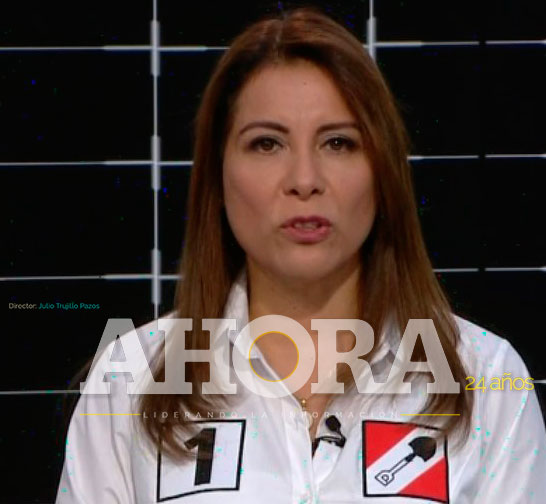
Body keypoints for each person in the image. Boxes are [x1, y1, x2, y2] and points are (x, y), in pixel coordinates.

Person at [55, 7, 546, 503]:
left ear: (383, 172)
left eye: (338, 143)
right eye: (267, 144)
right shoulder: (129, 381)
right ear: (218, 176)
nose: (305, 180)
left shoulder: (488, 381)